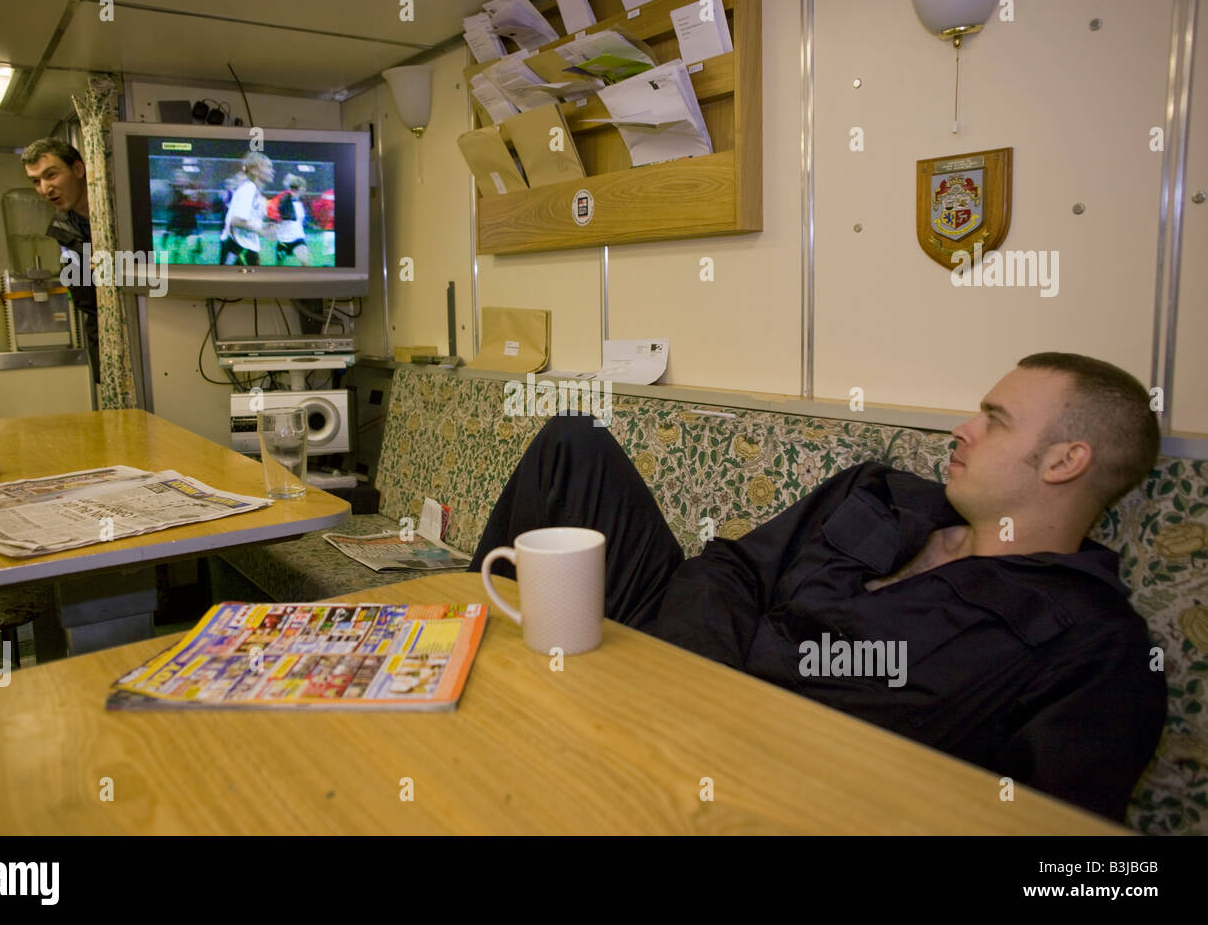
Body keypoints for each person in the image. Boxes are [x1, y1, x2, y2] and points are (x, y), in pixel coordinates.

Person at [470, 352, 1167, 821]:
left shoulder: (1095, 648)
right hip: (685, 650)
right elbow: (732, 567)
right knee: (574, 438)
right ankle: (458, 649)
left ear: (1066, 461)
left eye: (996, 420)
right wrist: (689, 677)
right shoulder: (884, 494)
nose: (963, 428)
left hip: (750, 771)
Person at [22, 137, 99, 383]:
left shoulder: (123, 209)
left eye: (51, 175)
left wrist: (125, 269)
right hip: (103, 335)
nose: (45, 189)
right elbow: (84, 299)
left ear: (78, 169)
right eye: (36, 181)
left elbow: (159, 277)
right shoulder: (63, 229)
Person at [219, 152, 274, 265]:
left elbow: (249, 220)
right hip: (237, 247)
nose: (272, 171)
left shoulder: (255, 191)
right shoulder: (249, 189)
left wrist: (263, 226)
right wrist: (261, 231)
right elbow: (237, 221)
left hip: (246, 246)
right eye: (268, 167)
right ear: (254, 170)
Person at [268, 174, 311, 265]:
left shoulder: (300, 203)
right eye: (303, 188)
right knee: (279, 266)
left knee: (305, 262)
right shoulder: (284, 200)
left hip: (298, 239)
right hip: (283, 240)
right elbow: (276, 215)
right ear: (300, 189)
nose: (304, 191)